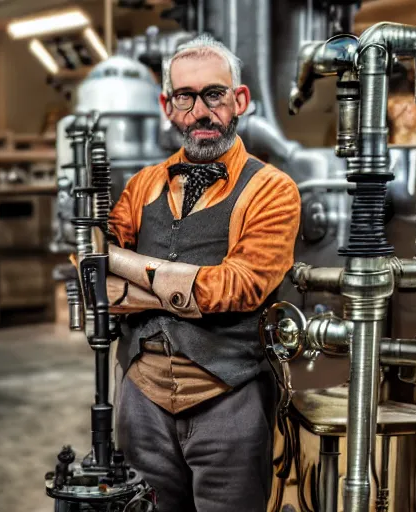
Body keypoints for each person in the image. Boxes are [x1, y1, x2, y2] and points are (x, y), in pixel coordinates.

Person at [105, 34, 302, 512]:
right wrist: (173, 285)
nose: (201, 110)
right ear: (167, 107)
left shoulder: (272, 189)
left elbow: (239, 287)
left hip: (228, 398)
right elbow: (92, 267)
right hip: (141, 397)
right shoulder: (142, 185)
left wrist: (132, 272)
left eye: (214, 94)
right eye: (185, 97)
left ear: (239, 101)